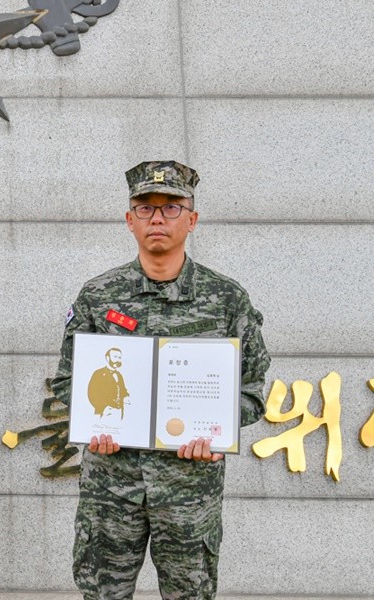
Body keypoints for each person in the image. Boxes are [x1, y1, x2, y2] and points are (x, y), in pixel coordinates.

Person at [51, 160, 270, 599]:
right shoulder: (98, 296)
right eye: (145, 207)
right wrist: (95, 425)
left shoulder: (227, 300)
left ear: (192, 219)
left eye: (171, 207)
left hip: (190, 491)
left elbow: (252, 388)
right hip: (111, 487)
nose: (157, 218)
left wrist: (216, 429)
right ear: (129, 219)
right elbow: (67, 382)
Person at [87, 347, 129, 418]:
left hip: (119, 412)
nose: (118, 360)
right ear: (107, 358)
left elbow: (123, 390)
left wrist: (126, 396)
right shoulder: (98, 373)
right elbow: (92, 393)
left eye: (119, 357)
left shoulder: (119, 375)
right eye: (115, 357)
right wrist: (103, 407)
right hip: (103, 413)